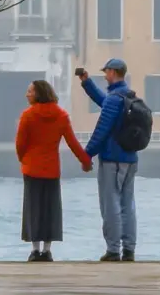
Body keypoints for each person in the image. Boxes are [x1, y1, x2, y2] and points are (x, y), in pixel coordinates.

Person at [16, 79, 92, 262]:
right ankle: (47, 250)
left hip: (32, 169)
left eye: (30, 91)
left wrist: (24, 160)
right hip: (51, 170)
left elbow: (20, 144)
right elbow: (72, 142)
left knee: (33, 209)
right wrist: (85, 161)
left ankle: (35, 251)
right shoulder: (61, 115)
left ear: (39, 94)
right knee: (50, 209)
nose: (27, 94)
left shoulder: (27, 115)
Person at [79, 59, 138, 262]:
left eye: (106, 72)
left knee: (110, 204)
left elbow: (102, 129)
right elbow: (103, 101)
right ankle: (129, 250)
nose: (105, 75)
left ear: (113, 72)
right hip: (131, 159)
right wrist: (87, 83)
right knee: (127, 204)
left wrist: (86, 154)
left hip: (113, 159)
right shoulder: (127, 96)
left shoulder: (114, 99)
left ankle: (113, 250)